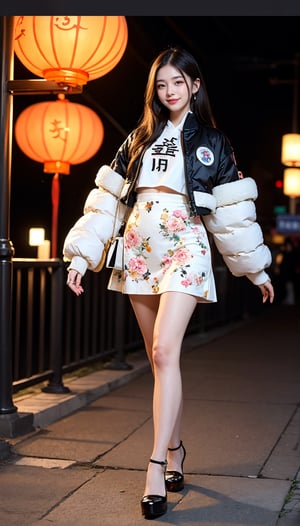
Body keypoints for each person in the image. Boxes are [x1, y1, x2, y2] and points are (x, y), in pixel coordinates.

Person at [63, 47, 274, 520]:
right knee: (160, 363)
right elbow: (108, 203)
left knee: (164, 352)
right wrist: (81, 256)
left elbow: (231, 214)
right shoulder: (138, 138)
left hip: (185, 246)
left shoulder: (214, 142)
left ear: (195, 86)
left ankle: (156, 465)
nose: (170, 91)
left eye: (178, 82)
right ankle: (176, 448)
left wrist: (255, 267)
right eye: (162, 84)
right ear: (155, 91)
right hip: (139, 247)